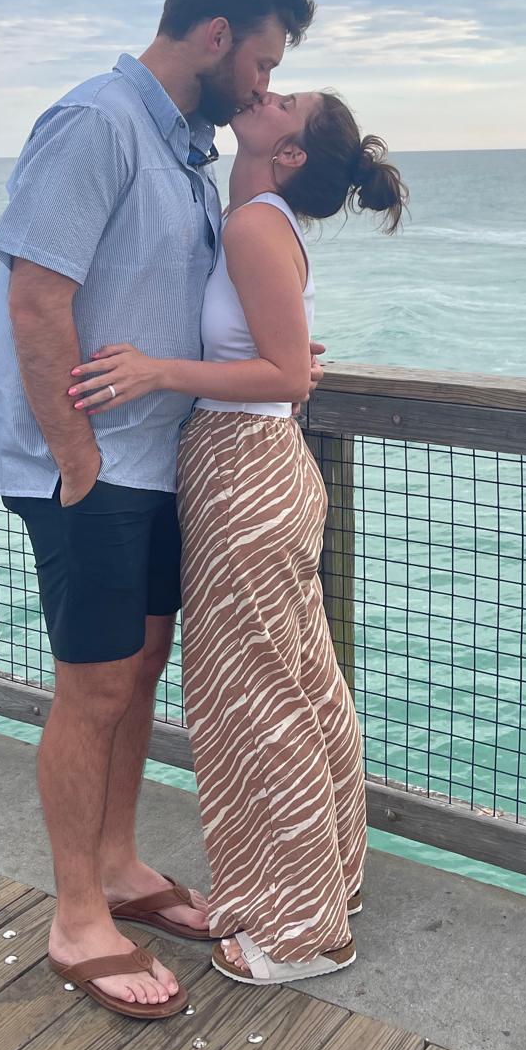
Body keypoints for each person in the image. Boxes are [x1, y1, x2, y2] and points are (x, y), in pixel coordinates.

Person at [0, 0, 318, 1021]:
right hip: (88, 466)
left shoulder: (183, 150)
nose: (262, 87)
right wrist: (77, 462)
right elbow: (38, 299)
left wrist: (281, 353)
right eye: (262, 63)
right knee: (94, 686)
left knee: (141, 669)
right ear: (216, 37)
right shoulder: (98, 123)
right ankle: (78, 916)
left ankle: (121, 866)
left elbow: (178, 302)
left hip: (157, 461)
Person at [70, 89, 407, 984]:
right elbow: (281, 362)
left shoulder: (256, 225)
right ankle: (330, 886)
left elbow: (287, 374)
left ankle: (302, 934)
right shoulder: (255, 218)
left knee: (257, 700)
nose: (265, 92)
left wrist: (156, 372)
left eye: (285, 101)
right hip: (259, 466)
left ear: (288, 155)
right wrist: (266, 363)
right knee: (300, 682)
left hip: (244, 473)